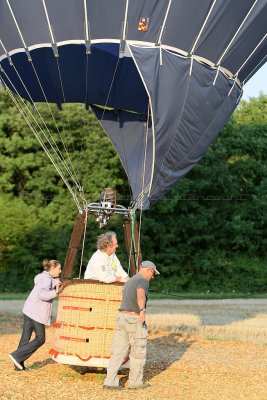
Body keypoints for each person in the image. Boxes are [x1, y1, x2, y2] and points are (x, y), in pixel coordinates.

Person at [103, 260, 160, 390]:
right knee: (137, 352)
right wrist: (142, 310)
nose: (153, 277)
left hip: (121, 317)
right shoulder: (143, 281)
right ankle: (135, 383)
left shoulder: (129, 281)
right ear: (148, 270)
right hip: (134, 319)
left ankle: (109, 382)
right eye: (153, 273)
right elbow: (140, 294)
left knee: (117, 352)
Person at [9, 259, 61, 371]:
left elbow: (53, 282)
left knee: (25, 338)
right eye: (59, 268)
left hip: (29, 309)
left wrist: (57, 283)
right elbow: (42, 295)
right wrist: (55, 292)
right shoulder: (47, 280)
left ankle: (18, 365)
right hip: (36, 313)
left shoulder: (44, 277)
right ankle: (16, 355)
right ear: (52, 269)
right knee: (40, 338)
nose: (60, 271)